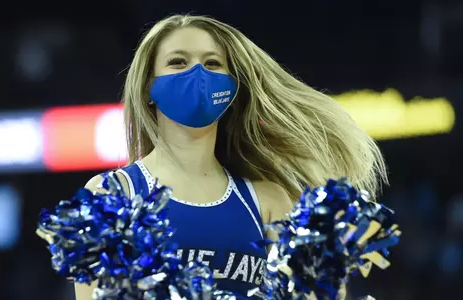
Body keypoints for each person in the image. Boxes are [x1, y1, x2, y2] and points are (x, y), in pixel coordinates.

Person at [75, 14, 387, 299]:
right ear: (148, 89)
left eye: (212, 64)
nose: (197, 74)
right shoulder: (113, 195)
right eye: (178, 62)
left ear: (231, 88)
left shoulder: (266, 201)